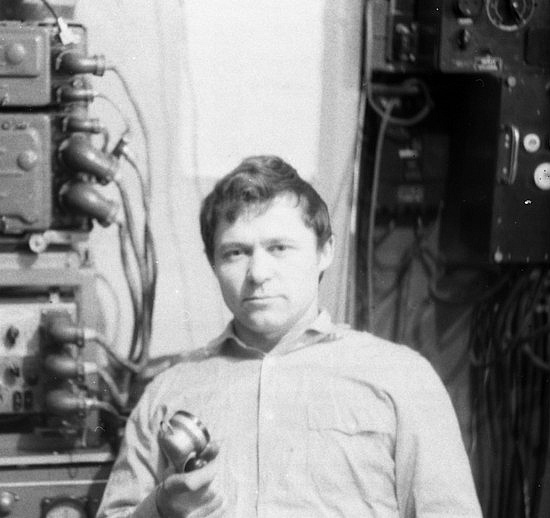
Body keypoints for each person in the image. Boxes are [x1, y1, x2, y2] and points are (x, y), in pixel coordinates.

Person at [96, 155, 482, 517]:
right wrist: (162, 508)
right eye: (235, 253)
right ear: (213, 263)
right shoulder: (167, 393)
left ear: (325, 251)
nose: (258, 273)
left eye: (279, 248)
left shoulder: (402, 378)